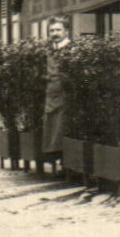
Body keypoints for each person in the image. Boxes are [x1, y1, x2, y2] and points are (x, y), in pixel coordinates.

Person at [41, 17, 70, 164]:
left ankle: (66, 163)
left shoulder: (71, 50)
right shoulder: (49, 50)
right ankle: (57, 159)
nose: (54, 33)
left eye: (58, 30)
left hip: (65, 97)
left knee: (62, 131)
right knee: (52, 131)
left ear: (66, 31)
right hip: (51, 96)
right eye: (51, 30)